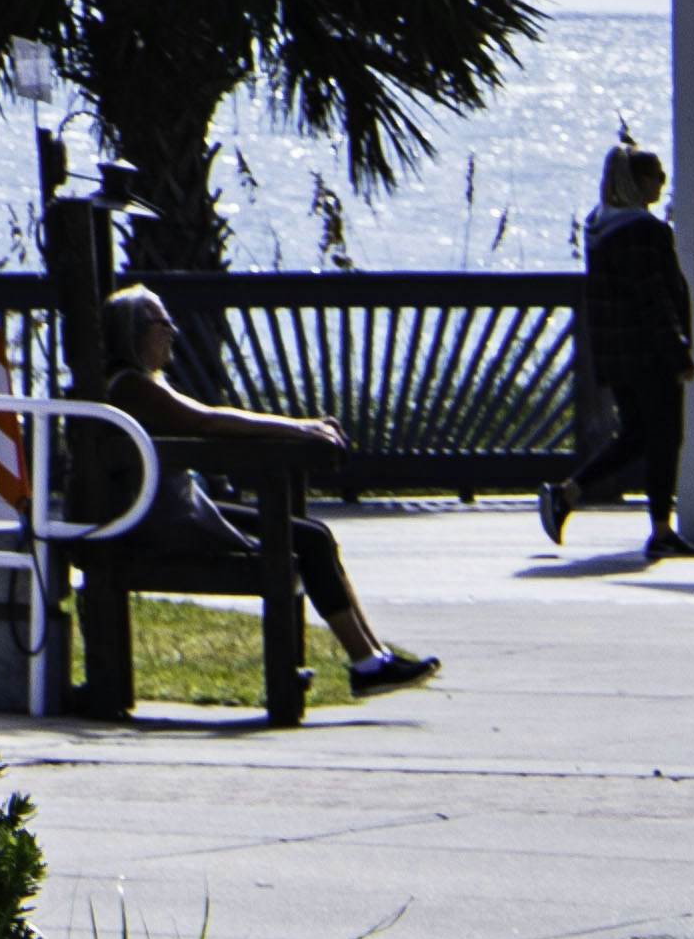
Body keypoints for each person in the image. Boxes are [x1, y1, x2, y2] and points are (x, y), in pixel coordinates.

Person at [97, 287, 443, 693]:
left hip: (164, 512)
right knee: (310, 539)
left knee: (314, 537)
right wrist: (300, 428)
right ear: (133, 333)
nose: (172, 330)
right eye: (161, 323)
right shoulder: (132, 387)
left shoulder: (133, 384)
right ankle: (367, 664)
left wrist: (300, 426)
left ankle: (374, 658)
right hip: (161, 523)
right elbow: (208, 422)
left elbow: (203, 423)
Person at [541, 141, 694, 549]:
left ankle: (568, 493)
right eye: (655, 176)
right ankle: (661, 531)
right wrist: (678, 350)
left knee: (637, 437)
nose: (662, 183)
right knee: (665, 438)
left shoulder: (599, 227)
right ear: (637, 182)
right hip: (651, 353)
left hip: (617, 351)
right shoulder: (644, 232)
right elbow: (655, 297)